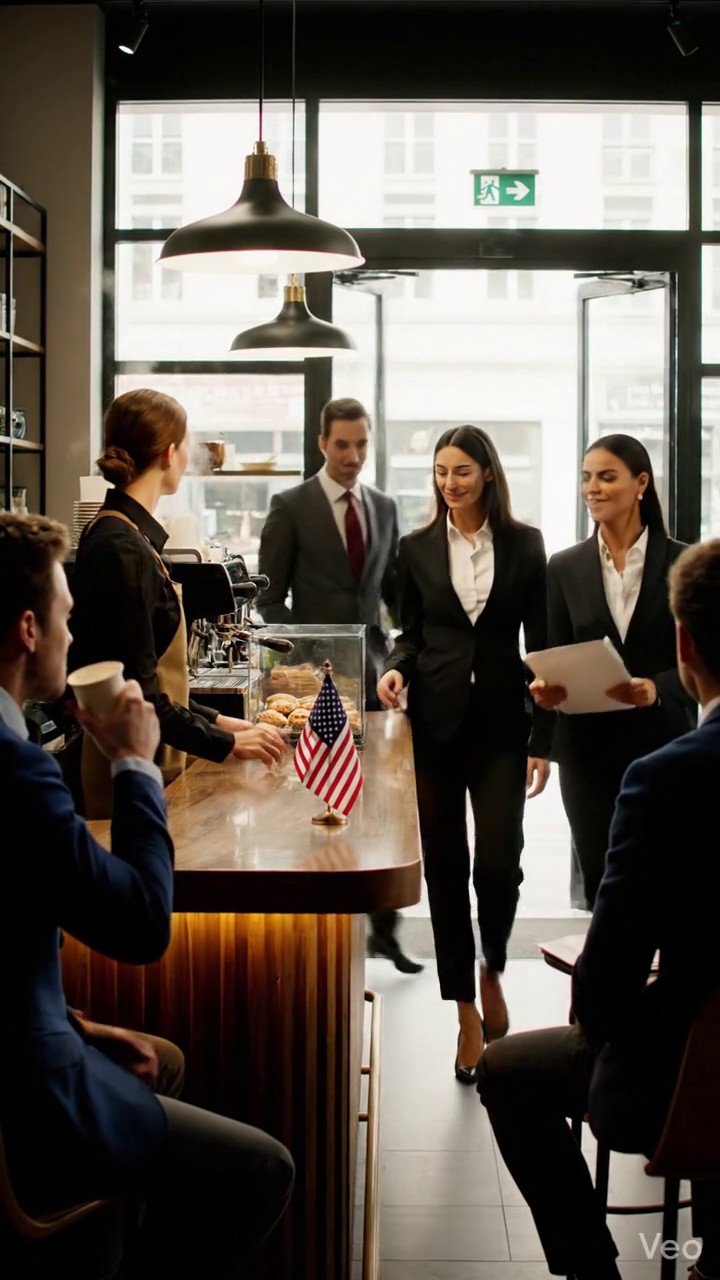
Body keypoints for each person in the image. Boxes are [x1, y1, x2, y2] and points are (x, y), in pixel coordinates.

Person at [0, 512, 294, 1277]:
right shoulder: (17, 771)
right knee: (264, 1169)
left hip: (30, 1035)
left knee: (155, 1060)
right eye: (68, 617)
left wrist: (76, 1023)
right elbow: (139, 926)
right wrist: (134, 763)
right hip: (24, 1098)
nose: (76, 633)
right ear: (29, 630)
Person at [477, 537, 720, 1280]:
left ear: (684, 644)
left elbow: (606, 992)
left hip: (691, 1079)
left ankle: (594, 1271)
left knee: (507, 1068)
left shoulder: (667, 781)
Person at [377, 425, 552, 1081]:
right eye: (440, 471)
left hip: (505, 722)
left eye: (461, 471)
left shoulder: (527, 545)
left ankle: (494, 964)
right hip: (437, 723)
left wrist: (544, 738)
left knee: (500, 862)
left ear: (487, 474)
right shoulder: (416, 548)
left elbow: (543, 644)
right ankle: (465, 1012)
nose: (449, 482)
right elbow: (409, 633)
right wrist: (397, 667)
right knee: (446, 869)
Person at [258, 396, 422, 974]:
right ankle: (324, 926)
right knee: (314, 792)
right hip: (313, 677)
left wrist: (413, 646)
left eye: (362, 445)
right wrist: (297, 654)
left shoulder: (383, 505)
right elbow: (267, 594)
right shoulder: (291, 504)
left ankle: (384, 931)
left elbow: (396, 592)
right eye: (342, 444)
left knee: (380, 794)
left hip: (376, 672)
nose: (353, 456)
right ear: (322, 444)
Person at [69, 388, 286, 820]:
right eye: (187, 444)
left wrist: (220, 722)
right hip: (127, 771)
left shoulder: (131, 536)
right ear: (170, 453)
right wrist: (223, 743)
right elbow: (141, 695)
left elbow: (155, 685)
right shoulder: (121, 548)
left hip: (147, 758)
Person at [530, 434, 695, 910]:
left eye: (606, 477)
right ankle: (613, 982)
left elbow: (705, 656)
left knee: (664, 875)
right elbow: (549, 653)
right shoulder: (564, 567)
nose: (593, 488)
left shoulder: (682, 562)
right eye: (586, 478)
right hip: (586, 752)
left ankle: (665, 981)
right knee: (605, 880)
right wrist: (542, 715)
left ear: (641, 483)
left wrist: (657, 687)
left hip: (663, 744)